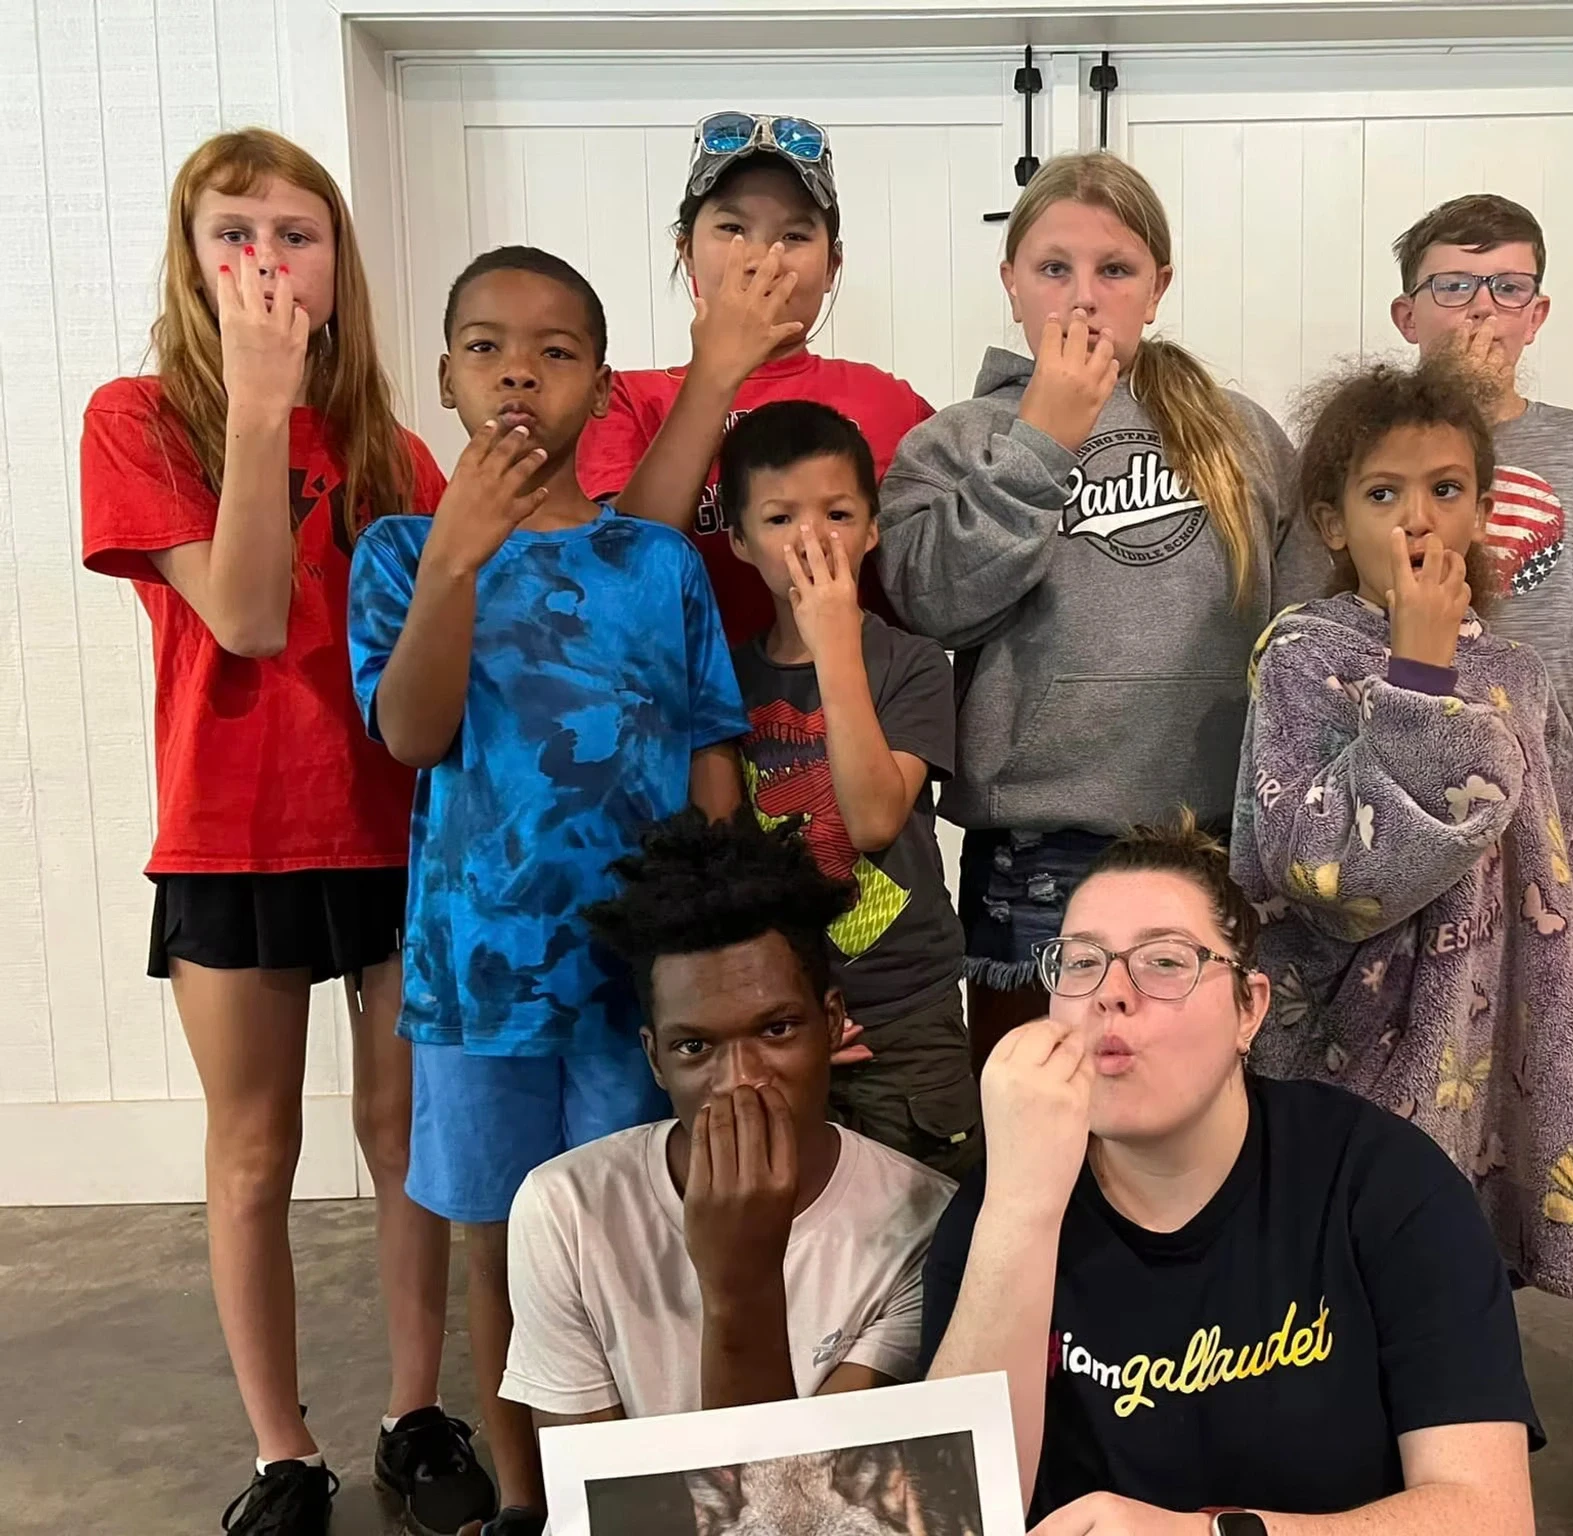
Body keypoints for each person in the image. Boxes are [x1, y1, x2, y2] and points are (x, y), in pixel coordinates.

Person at [78, 128, 491, 1536]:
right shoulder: (138, 420)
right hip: (230, 830)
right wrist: (259, 409)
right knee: (252, 1150)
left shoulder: (395, 447)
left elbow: (442, 651)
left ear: (339, 261)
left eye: (296, 233)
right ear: (192, 260)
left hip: (390, 831)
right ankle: (284, 1450)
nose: (266, 260)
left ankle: (415, 1410)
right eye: (233, 233)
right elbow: (249, 617)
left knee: (404, 1138)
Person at [348, 246, 748, 1536]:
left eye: (557, 348)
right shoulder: (401, 551)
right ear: (450, 374)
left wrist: (730, 949)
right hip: (478, 978)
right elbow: (411, 732)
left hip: (636, 978)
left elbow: (709, 765)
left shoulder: (654, 564)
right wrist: (458, 559)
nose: (519, 368)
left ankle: (640, 1484)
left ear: (602, 383)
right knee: (500, 1244)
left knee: (643, 1225)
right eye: (485, 344)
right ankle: (527, 1501)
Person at [920, 815, 1540, 1536]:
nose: (1110, 994)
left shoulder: (1384, 1186)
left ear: (1250, 1009)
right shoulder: (999, 1206)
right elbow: (955, 1518)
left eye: (1164, 961)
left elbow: (1489, 1515)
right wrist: (1021, 1211)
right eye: (1081, 961)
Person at [876, 151, 1328, 1065]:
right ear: (1011, 283)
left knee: (1211, 1102)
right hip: (1040, 842)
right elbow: (928, 605)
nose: (1083, 298)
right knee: (1046, 1110)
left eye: (1114, 270)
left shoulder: (1237, 430)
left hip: (1223, 830)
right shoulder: (954, 440)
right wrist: (1040, 438)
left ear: (1157, 288)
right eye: (1054, 268)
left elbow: (1307, 626)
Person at [1232, 358, 1573, 1311]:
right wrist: (1415, 677)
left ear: (1482, 510)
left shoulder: (1523, 674)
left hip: (1498, 1039)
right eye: (1384, 493)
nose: (1419, 518)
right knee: (1354, 1267)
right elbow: (1330, 872)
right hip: (1360, 1043)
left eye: (1446, 490)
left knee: (1458, 1275)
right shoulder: (1305, 654)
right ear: (1333, 522)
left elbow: (1569, 852)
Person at [1390, 192, 1573, 1446]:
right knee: (1436, 1058)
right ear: (1405, 311)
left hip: (1553, 805)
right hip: (1424, 784)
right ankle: (1459, 1343)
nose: (1481, 310)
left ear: (1541, 309)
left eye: (1507, 286)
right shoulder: (1375, 445)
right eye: (1454, 285)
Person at [499, 811, 954, 1444]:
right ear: (655, 1059)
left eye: (776, 1030)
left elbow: (794, 1506)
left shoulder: (926, 1228)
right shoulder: (565, 1210)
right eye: (694, 1048)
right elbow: (593, 1494)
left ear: (831, 1023)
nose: (740, 1080)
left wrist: (741, 1286)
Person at [718, 400, 981, 1175]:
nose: (810, 538)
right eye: (777, 518)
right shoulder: (725, 680)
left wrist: (834, 640)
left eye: (836, 513)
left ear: (873, 528)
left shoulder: (911, 665)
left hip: (907, 1012)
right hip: (778, 1016)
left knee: (928, 1229)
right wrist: (781, 1017)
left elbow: (870, 820)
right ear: (736, 540)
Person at [576, 111, 931, 644]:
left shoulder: (891, 404)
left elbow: (935, 586)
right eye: (732, 228)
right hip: (682, 717)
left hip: (849, 714)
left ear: (832, 265)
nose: (763, 257)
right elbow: (620, 574)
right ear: (685, 249)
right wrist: (717, 371)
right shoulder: (622, 399)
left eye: (794, 234)